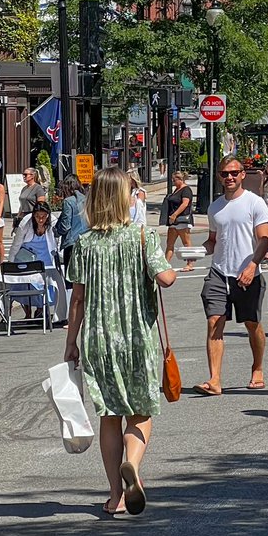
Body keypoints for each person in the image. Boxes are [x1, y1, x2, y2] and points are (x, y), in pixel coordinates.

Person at [64, 167, 177, 515]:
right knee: (140, 413)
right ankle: (133, 466)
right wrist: (165, 269)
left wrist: (71, 342)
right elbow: (166, 278)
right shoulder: (142, 236)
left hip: (99, 340)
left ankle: (115, 495)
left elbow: (78, 299)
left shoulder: (84, 244)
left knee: (110, 417)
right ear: (122, 198)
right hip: (137, 339)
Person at [195, 156, 268, 396]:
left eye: (233, 173)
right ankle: (215, 379)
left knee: (252, 324)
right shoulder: (215, 207)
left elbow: (264, 239)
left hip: (247, 272)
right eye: (224, 174)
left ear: (242, 175)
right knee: (214, 322)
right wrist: (197, 251)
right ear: (219, 177)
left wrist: (252, 266)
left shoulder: (255, 203)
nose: (229, 177)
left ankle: (257, 368)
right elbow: (213, 240)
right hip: (219, 272)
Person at [8, 199, 67, 322]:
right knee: (25, 283)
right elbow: (16, 244)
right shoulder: (26, 222)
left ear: (48, 216)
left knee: (48, 284)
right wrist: (10, 262)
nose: (40, 220)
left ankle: (42, 308)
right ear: (33, 215)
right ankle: (28, 312)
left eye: (43, 217)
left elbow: (58, 241)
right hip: (27, 255)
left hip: (46, 255)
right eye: (37, 216)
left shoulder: (53, 222)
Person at [54, 175, 88, 304]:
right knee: (84, 278)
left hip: (72, 243)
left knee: (71, 279)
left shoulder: (69, 201)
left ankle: (71, 312)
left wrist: (57, 230)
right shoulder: (86, 199)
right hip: (86, 242)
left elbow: (65, 225)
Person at [163, 171, 195, 268]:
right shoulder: (176, 190)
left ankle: (190, 263)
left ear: (180, 179)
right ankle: (165, 264)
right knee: (169, 243)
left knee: (186, 242)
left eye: (174, 180)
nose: (173, 182)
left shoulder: (186, 190)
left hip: (182, 220)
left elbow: (185, 203)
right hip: (173, 222)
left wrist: (175, 214)